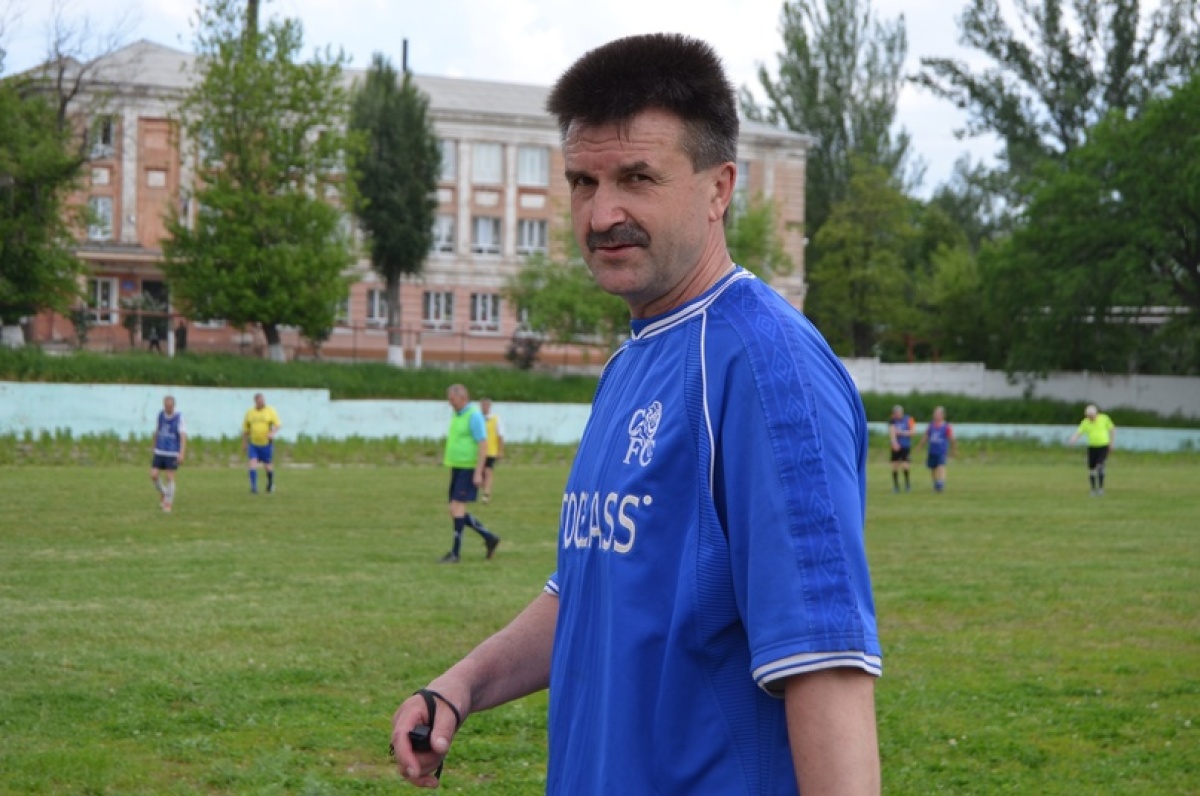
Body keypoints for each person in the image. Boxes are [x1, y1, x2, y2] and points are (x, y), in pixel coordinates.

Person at [392, 34, 881, 794]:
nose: (601, 214)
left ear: (719, 189)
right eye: (582, 182)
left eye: (638, 178)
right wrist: (462, 686)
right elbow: (595, 591)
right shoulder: (634, 361)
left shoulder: (764, 366)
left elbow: (825, 668)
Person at [439, 384, 501, 563]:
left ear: (463, 398)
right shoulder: (457, 414)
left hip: (468, 468)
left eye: (452, 400)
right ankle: (489, 537)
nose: (450, 403)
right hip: (457, 467)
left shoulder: (473, 415)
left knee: (457, 508)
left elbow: (483, 443)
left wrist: (478, 472)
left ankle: (455, 553)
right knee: (454, 510)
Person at [1068, 404, 1116, 495]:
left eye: (1091, 416)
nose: (1090, 418)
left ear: (1096, 414)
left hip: (1103, 446)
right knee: (1092, 469)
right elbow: (1079, 432)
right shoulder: (1085, 422)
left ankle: (1101, 488)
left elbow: (1112, 429)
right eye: (1088, 416)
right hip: (1092, 447)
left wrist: (1111, 442)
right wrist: (1073, 439)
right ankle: (1093, 489)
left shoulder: (1104, 419)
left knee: (1100, 466)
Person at [150, 395, 186, 513]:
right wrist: (154, 445)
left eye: (170, 406)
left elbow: (183, 436)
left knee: (169, 476)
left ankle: (168, 503)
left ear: (173, 406)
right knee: (154, 475)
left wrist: (181, 452)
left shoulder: (179, 417)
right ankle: (165, 492)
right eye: (166, 406)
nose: (168, 408)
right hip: (160, 450)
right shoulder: (161, 415)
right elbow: (157, 430)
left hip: (172, 451)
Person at [242, 392, 281, 494]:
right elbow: (246, 430)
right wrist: (244, 443)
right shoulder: (250, 413)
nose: (262, 402)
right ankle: (254, 488)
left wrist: (272, 433)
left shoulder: (270, 411)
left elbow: (277, 424)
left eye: (263, 401)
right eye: (260, 401)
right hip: (253, 444)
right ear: (255, 401)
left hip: (266, 444)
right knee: (252, 463)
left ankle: (270, 483)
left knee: (267, 465)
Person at [917, 406, 957, 492]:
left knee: (941, 466)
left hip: (941, 450)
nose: (936, 415)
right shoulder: (931, 425)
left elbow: (952, 438)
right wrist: (920, 446)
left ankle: (941, 483)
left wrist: (953, 450)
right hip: (932, 450)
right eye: (935, 414)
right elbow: (926, 436)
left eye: (938, 414)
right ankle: (935, 484)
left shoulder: (946, 426)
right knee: (933, 468)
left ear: (943, 415)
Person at [479, 397, 505, 503]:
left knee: (488, 471)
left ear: (489, 406)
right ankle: (484, 488)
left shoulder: (495, 419)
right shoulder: (477, 418)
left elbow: (500, 435)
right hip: (479, 450)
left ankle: (486, 494)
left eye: (486, 405)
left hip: (491, 450)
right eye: (482, 405)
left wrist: (500, 450)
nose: (484, 407)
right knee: (480, 472)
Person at [888, 404, 916, 492]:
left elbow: (913, 432)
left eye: (898, 412)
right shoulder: (892, 420)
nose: (897, 414)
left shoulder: (909, 419)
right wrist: (894, 443)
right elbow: (892, 432)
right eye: (895, 412)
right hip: (895, 446)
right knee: (894, 466)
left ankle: (907, 484)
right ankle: (896, 486)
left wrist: (902, 432)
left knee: (905, 465)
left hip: (905, 446)